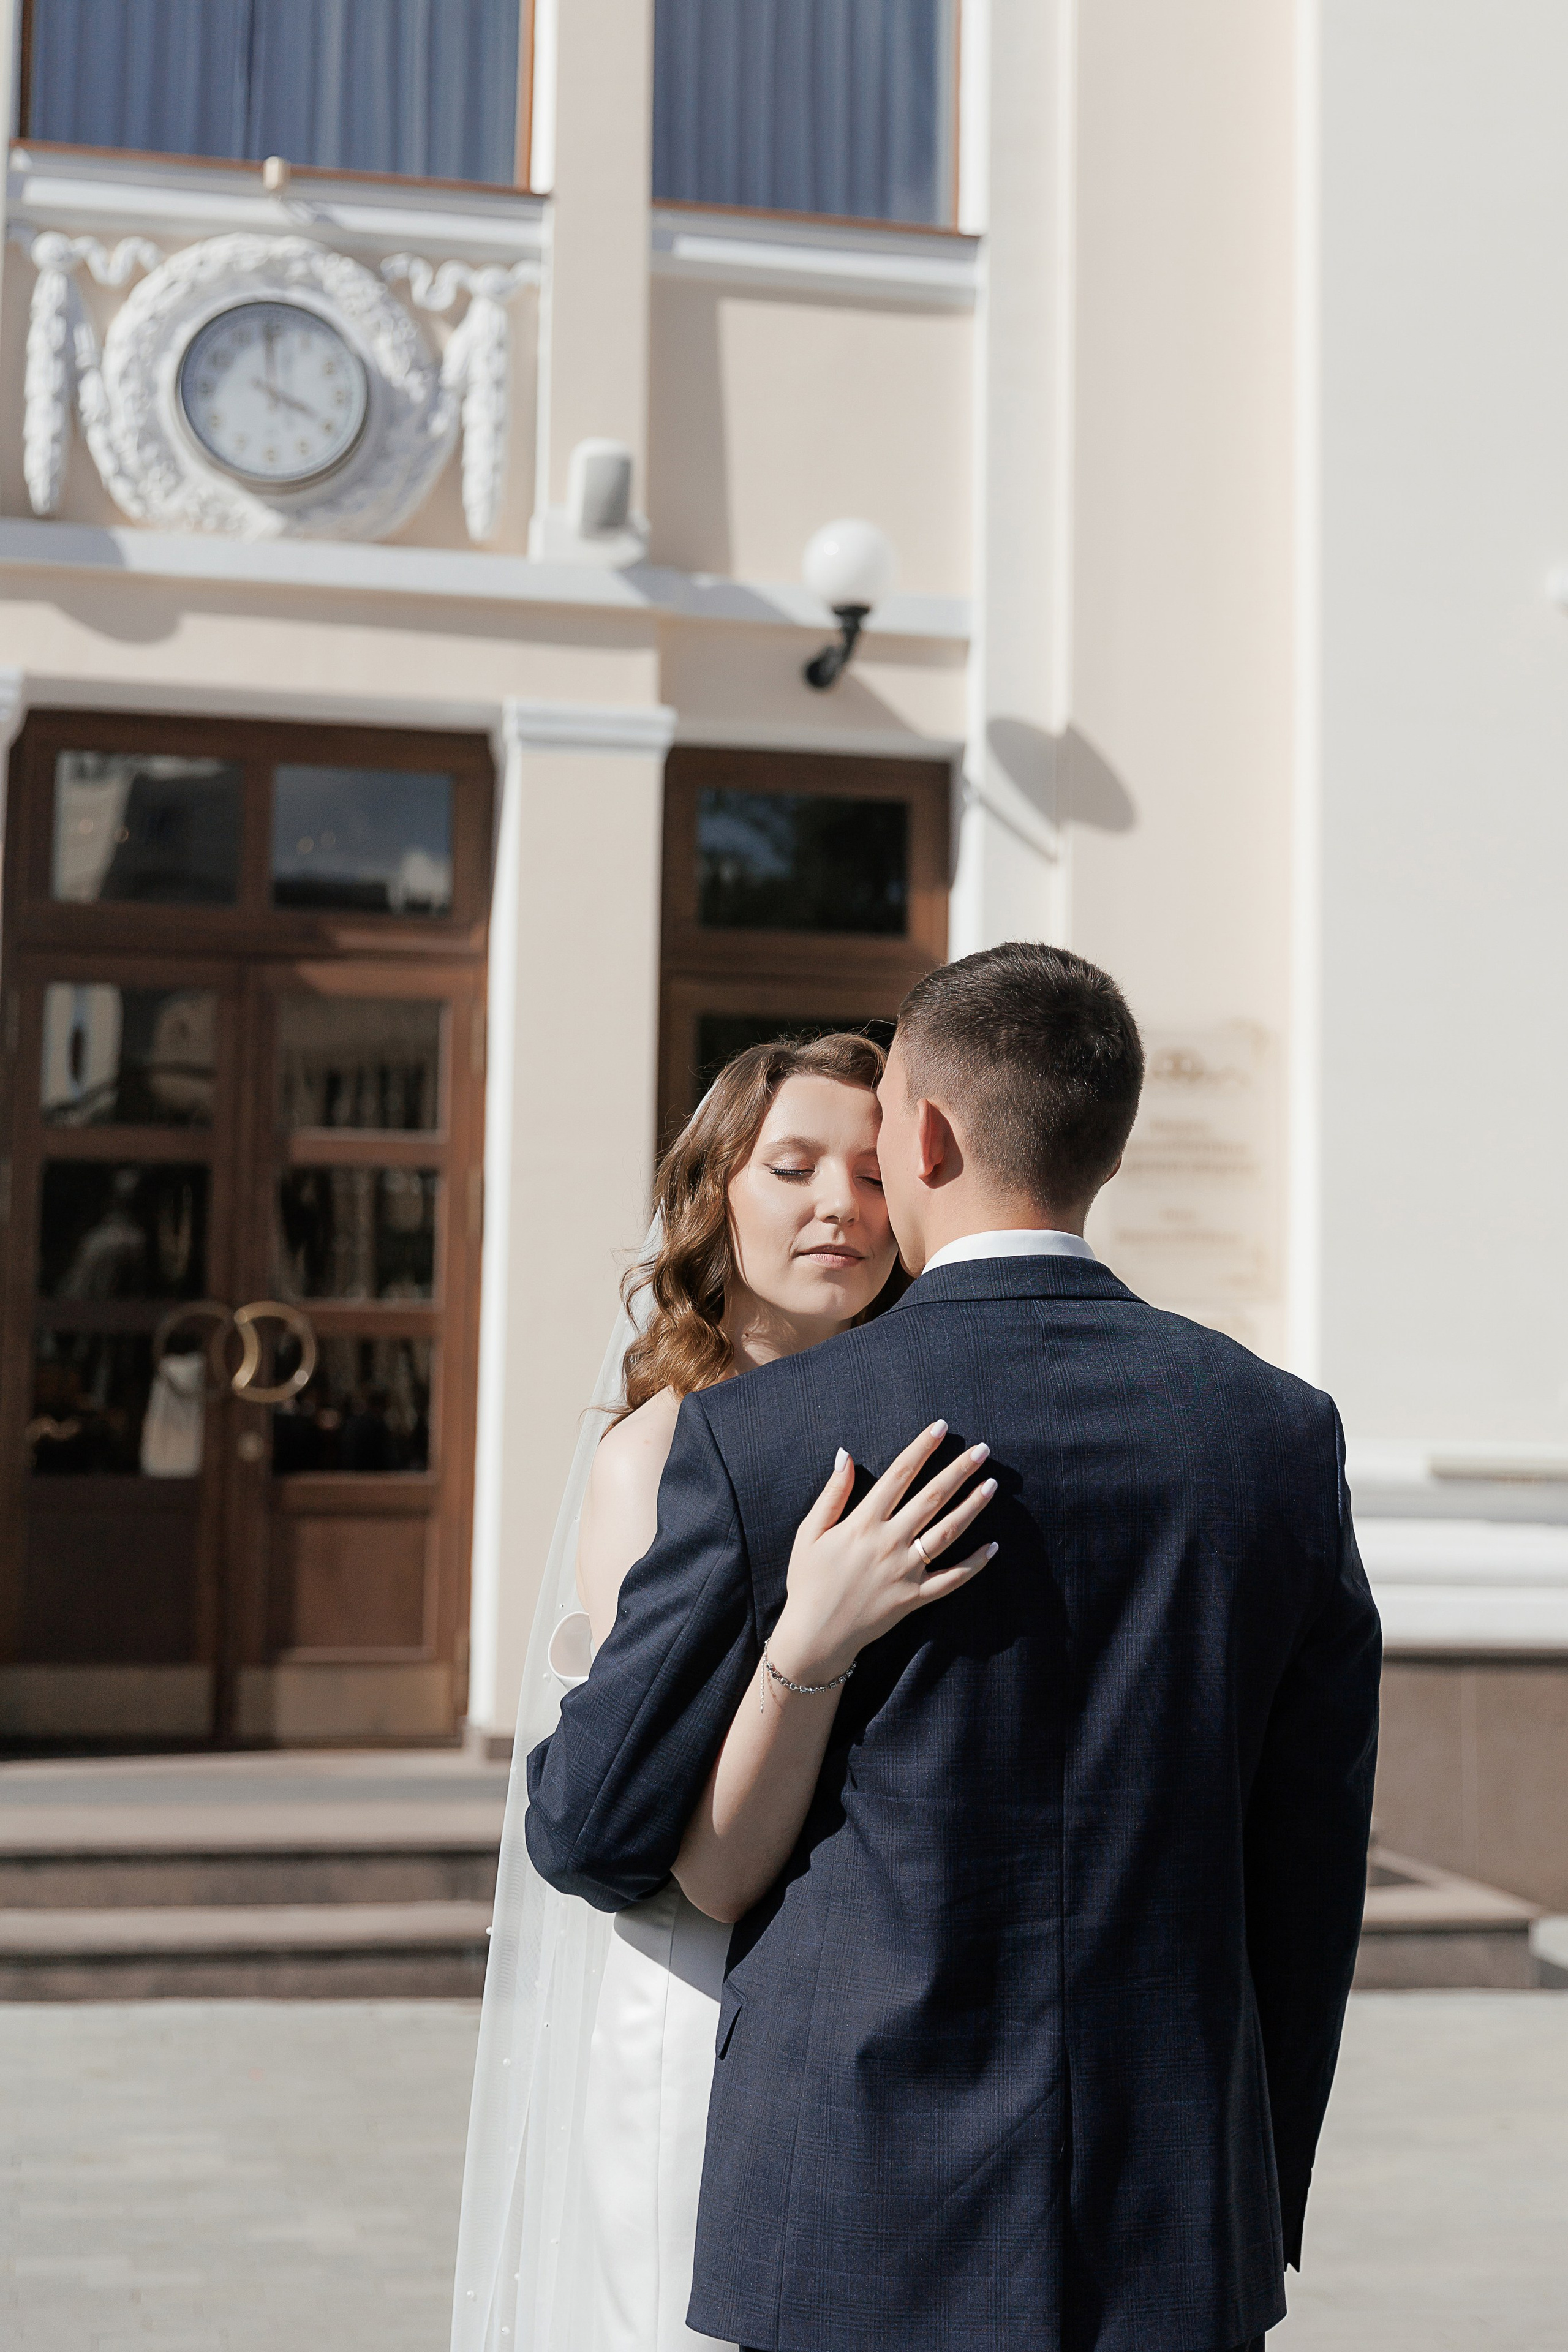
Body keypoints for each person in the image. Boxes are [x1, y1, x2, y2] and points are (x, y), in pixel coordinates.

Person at [526, 941, 1382, 2352]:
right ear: (1101, 1146)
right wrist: (1246, 2194)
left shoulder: (772, 1436)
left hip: (852, 2211)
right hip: (1174, 2217)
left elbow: (591, 1831)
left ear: (919, 1135)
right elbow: (1306, 1876)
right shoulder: (1279, 1435)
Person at [451, 1031, 995, 2352]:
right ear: (715, 1199)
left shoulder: (914, 1424)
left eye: (870, 1177)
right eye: (791, 1167)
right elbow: (636, 1796)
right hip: (694, 1978)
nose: (837, 1208)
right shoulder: (656, 1455)